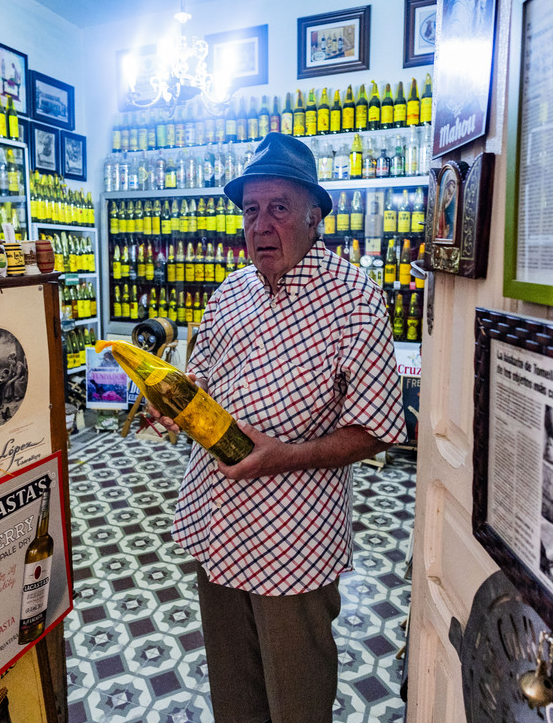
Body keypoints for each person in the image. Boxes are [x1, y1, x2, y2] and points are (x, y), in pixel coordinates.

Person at [148, 132, 406, 722]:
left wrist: (282, 455)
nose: (261, 225)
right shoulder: (230, 294)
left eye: (279, 209)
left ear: (314, 216)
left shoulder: (354, 298)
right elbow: (201, 384)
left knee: (296, 697)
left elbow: (375, 430)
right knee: (235, 695)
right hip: (218, 525)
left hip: (293, 540)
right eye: (250, 210)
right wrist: (173, 406)